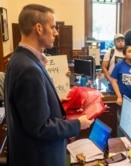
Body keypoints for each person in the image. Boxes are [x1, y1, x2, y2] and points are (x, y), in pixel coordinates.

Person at [4, 4, 94, 166]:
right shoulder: (29, 69)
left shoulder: (18, 59)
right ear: (38, 28)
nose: (56, 32)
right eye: (52, 27)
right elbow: (41, 127)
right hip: (40, 158)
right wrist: (77, 124)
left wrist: (56, 100)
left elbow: (29, 112)